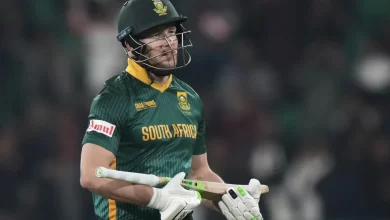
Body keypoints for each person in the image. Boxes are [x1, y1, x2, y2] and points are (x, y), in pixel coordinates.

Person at [79, 0, 264, 219]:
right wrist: (157, 198)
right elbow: (91, 175)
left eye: (171, 31)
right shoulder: (114, 98)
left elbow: (199, 172)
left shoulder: (190, 98)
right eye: (156, 35)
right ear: (130, 45)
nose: (169, 42)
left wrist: (231, 197)